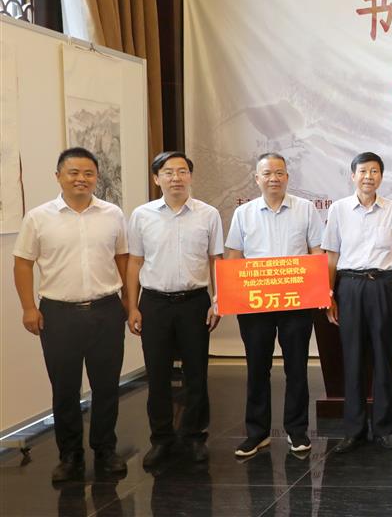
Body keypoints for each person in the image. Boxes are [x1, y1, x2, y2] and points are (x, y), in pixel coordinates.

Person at [12, 147, 129, 482]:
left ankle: (105, 450)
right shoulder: (38, 218)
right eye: (73, 172)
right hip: (58, 314)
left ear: (96, 177)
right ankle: (70, 455)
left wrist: (127, 300)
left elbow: (122, 258)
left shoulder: (112, 214)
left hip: (106, 310)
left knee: (107, 386)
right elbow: (23, 263)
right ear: (58, 176)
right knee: (64, 389)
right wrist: (28, 307)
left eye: (88, 173)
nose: (81, 179)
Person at [125, 151, 224, 467]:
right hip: (154, 303)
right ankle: (161, 439)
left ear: (190, 177)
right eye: (168, 172)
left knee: (196, 373)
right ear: (157, 179)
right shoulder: (142, 215)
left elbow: (216, 261)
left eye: (182, 171)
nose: (176, 178)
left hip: (194, 302)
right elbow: (134, 262)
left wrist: (218, 301)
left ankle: (194, 437)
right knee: (157, 374)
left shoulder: (208, 214)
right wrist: (132, 306)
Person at [224, 153, 324, 457]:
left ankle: (297, 431)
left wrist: (321, 289)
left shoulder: (305, 209)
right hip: (256, 302)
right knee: (257, 367)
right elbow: (233, 257)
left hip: (297, 300)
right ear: (257, 179)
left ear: (287, 177)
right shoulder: (244, 213)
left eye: (279, 173)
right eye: (267, 173)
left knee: (297, 367)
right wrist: (227, 293)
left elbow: (317, 252)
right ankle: (257, 433)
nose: (274, 178)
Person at [323, 152, 392, 453]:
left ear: (381, 176)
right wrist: (328, 295)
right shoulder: (339, 209)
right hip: (349, 286)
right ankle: (354, 429)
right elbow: (331, 256)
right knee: (353, 357)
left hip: (383, 285)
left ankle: (384, 429)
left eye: (374, 171)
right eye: (363, 171)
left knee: (383, 358)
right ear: (353, 176)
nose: (368, 176)